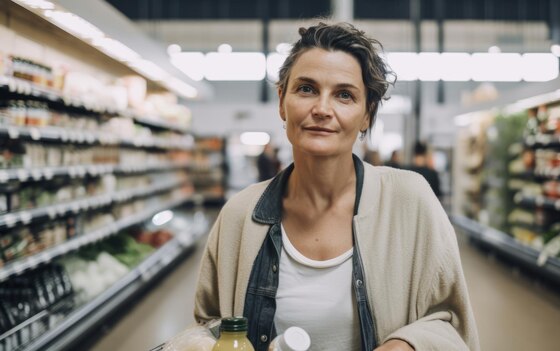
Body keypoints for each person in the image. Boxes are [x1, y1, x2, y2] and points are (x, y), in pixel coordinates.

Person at [194, 22, 479, 351]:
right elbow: (207, 327)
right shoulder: (241, 215)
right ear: (281, 100)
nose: (322, 109)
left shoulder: (409, 201)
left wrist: (407, 344)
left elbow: (453, 322)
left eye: (344, 95)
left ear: (367, 115)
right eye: (306, 89)